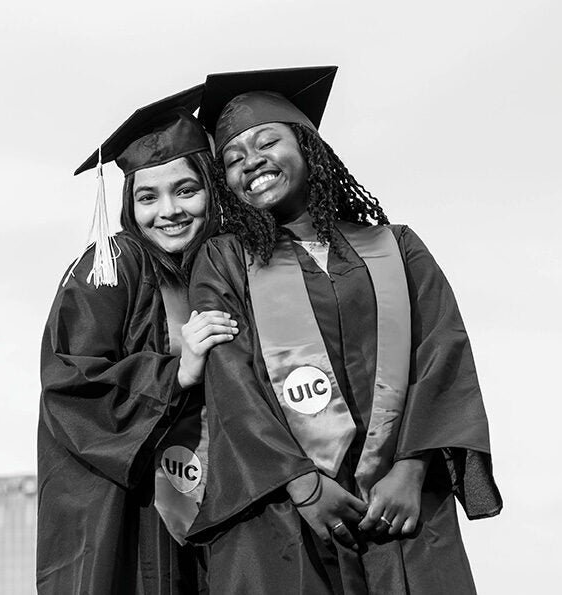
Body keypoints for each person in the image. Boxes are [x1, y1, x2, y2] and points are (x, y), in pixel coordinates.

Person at [184, 66, 502, 594]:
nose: (251, 163)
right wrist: (301, 482)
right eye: (233, 160)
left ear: (308, 147)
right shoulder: (226, 259)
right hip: (284, 508)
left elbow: (442, 352)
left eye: (267, 142)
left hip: (399, 509)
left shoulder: (396, 247)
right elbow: (229, 375)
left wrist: (412, 469)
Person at [37, 86, 238, 594]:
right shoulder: (109, 268)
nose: (167, 211)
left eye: (186, 190)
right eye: (147, 197)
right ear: (129, 203)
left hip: (221, 506)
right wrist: (177, 372)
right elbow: (71, 381)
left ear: (213, 190)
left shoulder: (230, 268)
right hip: (135, 514)